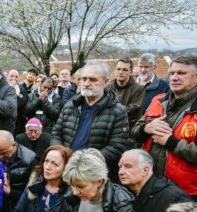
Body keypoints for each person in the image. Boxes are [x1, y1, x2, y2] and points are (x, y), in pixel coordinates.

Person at [51, 60, 130, 180]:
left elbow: (116, 147)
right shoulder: (70, 105)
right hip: (66, 169)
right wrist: (61, 155)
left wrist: (84, 162)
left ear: (106, 81)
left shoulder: (117, 111)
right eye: (83, 79)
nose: (86, 83)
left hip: (94, 176)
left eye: (93, 79)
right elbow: (56, 133)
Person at [132, 54, 197, 199]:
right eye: (172, 73)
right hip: (150, 184)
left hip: (186, 192)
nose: (174, 78)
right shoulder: (159, 100)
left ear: (195, 78)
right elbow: (135, 132)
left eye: (181, 73)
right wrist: (146, 128)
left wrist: (170, 142)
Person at [107, 58, 146, 129]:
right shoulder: (108, 88)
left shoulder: (139, 89)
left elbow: (133, 110)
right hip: (110, 128)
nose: (120, 72)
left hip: (129, 130)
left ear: (131, 72)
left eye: (124, 70)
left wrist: (110, 110)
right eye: (118, 69)